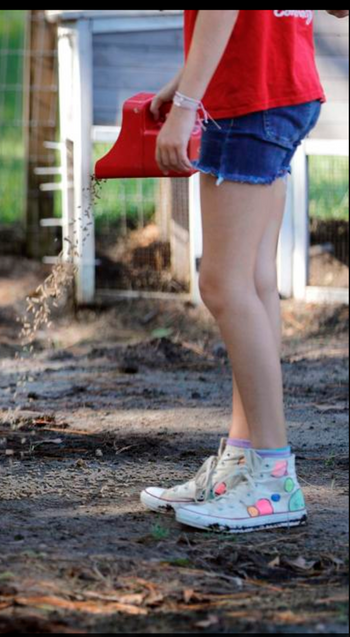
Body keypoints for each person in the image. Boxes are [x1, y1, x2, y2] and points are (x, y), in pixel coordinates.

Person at [138, 10, 347, 532]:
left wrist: (187, 104)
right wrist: (187, 82)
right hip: (278, 86)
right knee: (254, 281)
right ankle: (244, 461)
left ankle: (274, 478)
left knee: (223, 283)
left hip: (252, 99)